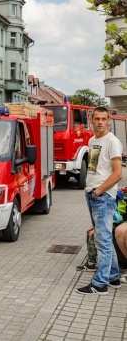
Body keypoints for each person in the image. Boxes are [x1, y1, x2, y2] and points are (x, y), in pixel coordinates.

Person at [77, 107, 123, 295]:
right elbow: (95, 169)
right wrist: (90, 190)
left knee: (102, 241)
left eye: (104, 119)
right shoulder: (92, 140)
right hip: (94, 194)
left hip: (103, 196)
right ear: (91, 120)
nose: (100, 122)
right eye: (97, 118)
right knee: (104, 239)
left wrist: (98, 191)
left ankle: (100, 283)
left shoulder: (113, 142)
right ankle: (113, 277)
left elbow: (118, 173)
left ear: (109, 120)